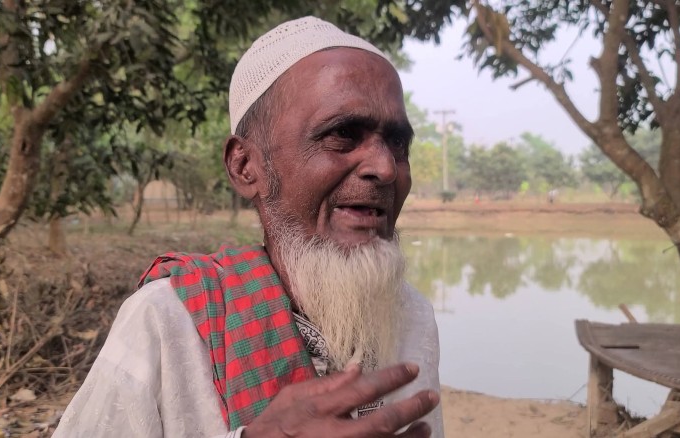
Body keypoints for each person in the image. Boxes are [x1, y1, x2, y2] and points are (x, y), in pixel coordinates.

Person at [53, 16, 443, 438]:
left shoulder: (410, 313)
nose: (385, 168)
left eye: (398, 143)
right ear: (245, 166)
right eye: (342, 134)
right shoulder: (165, 320)